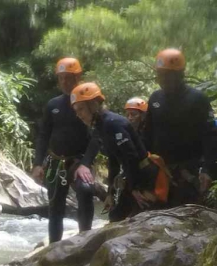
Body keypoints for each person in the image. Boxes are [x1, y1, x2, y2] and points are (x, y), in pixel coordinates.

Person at [31, 56, 99, 244]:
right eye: (61, 78)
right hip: (55, 161)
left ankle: (85, 240)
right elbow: (44, 135)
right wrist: (38, 164)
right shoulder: (54, 105)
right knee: (55, 206)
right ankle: (54, 247)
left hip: (78, 161)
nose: (64, 82)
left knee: (85, 191)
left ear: (78, 77)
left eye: (69, 77)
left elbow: (97, 136)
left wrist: (86, 163)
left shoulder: (89, 102)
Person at [141, 48, 216, 206]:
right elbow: (147, 133)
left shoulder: (198, 99)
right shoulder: (155, 98)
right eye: (160, 75)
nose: (161, 80)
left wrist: (207, 169)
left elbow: (210, 136)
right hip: (160, 171)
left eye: (166, 76)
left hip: (188, 171)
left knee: (184, 215)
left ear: (179, 75)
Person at [70, 82, 153, 222]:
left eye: (81, 109)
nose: (78, 115)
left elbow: (131, 157)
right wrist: (110, 193)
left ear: (93, 105)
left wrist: (134, 189)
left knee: (137, 218)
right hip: (134, 177)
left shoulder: (113, 123)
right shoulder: (101, 126)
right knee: (115, 216)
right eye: (76, 111)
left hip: (144, 178)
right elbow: (114, 161)